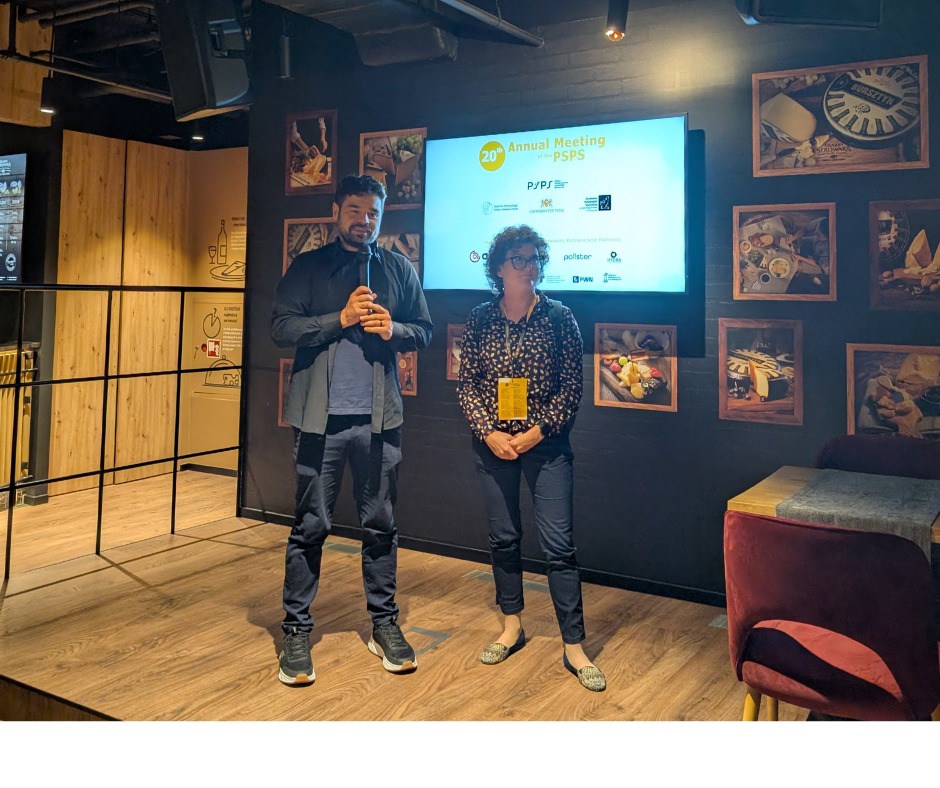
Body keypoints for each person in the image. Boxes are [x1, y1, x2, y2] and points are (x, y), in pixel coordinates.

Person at [271, 174, 433, 685]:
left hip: (379, 421)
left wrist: (394, 329)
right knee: (310, 526)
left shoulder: (398, 268)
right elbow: (281, 328)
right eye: (355, 211)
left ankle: (384, 624)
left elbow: (424, 330)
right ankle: (296, 630)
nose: (365, 221)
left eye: (373, 214)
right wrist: (338, 319)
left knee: (381, 525)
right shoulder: (308, 266)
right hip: (318, 421)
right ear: (336, 211)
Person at [456, 224, 606, 692]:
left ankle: (574, 645)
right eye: (518, 259)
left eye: (534, 258)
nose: (529, 267)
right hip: (494, 445)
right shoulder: (480, 319)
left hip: (547, 446)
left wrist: (535, 433)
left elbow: (571, 389)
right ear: (499, 268)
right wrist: (489, 433)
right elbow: (468, 385)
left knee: (559, 547)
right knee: (503, 538)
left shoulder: (560, 318)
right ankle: (511, 626)